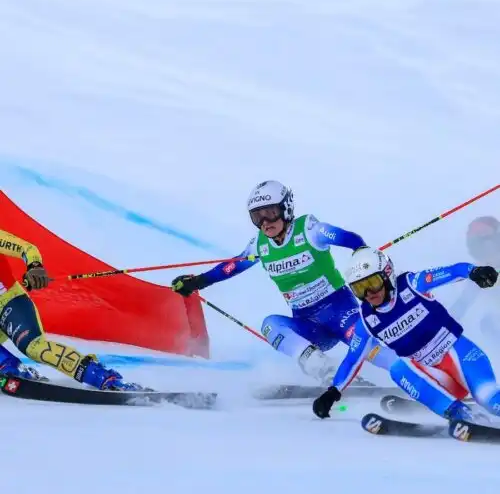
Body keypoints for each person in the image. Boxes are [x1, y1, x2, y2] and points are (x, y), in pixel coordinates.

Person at [172, 180, 396, 383]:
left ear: (286, 209)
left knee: (364, 345)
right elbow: (232, 267)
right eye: (257, 217)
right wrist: (198, 281)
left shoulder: (310, 230)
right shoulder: (259, 244)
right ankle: (326, 372)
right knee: (270, 325)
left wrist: (363, 255)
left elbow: (350, 239)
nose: (265, 222)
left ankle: (410, 373)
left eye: (270, 213)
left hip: (340, 311)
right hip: (309, 326)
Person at [312, 247, 499, 422]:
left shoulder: (412, 284)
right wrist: (333, 392)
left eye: (373, 283)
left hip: (460, 355)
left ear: (387, 275)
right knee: (398, 368)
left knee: (490, 400)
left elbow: (451, 271)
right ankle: (459, 414)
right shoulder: (367, 320)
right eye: (360, 288)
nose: (369, 293)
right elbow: (352, 359)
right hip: (433, 376)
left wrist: (474, 272)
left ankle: (473, 404)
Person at [0, 228, 142, 391]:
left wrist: (34, 267)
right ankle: (11, 369)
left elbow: (27, 249)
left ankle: (104, 377)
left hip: (9, 303)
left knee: (35, 347)